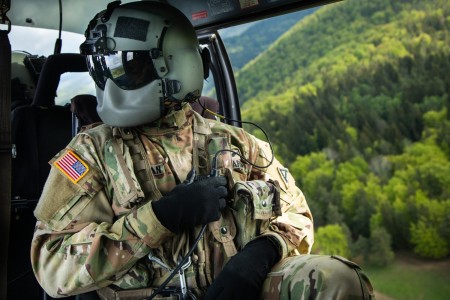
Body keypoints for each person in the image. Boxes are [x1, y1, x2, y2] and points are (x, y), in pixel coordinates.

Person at [30, 1, 374, 299]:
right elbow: (51, 266)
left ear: (174, 64)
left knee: (338, 281)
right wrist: (160, 218)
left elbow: (298, 215)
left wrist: (260, 254)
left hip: (238, 291)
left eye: (131, 66)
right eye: (106, 67)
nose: (113, 80)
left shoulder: (237, 142)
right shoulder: (89, 153)